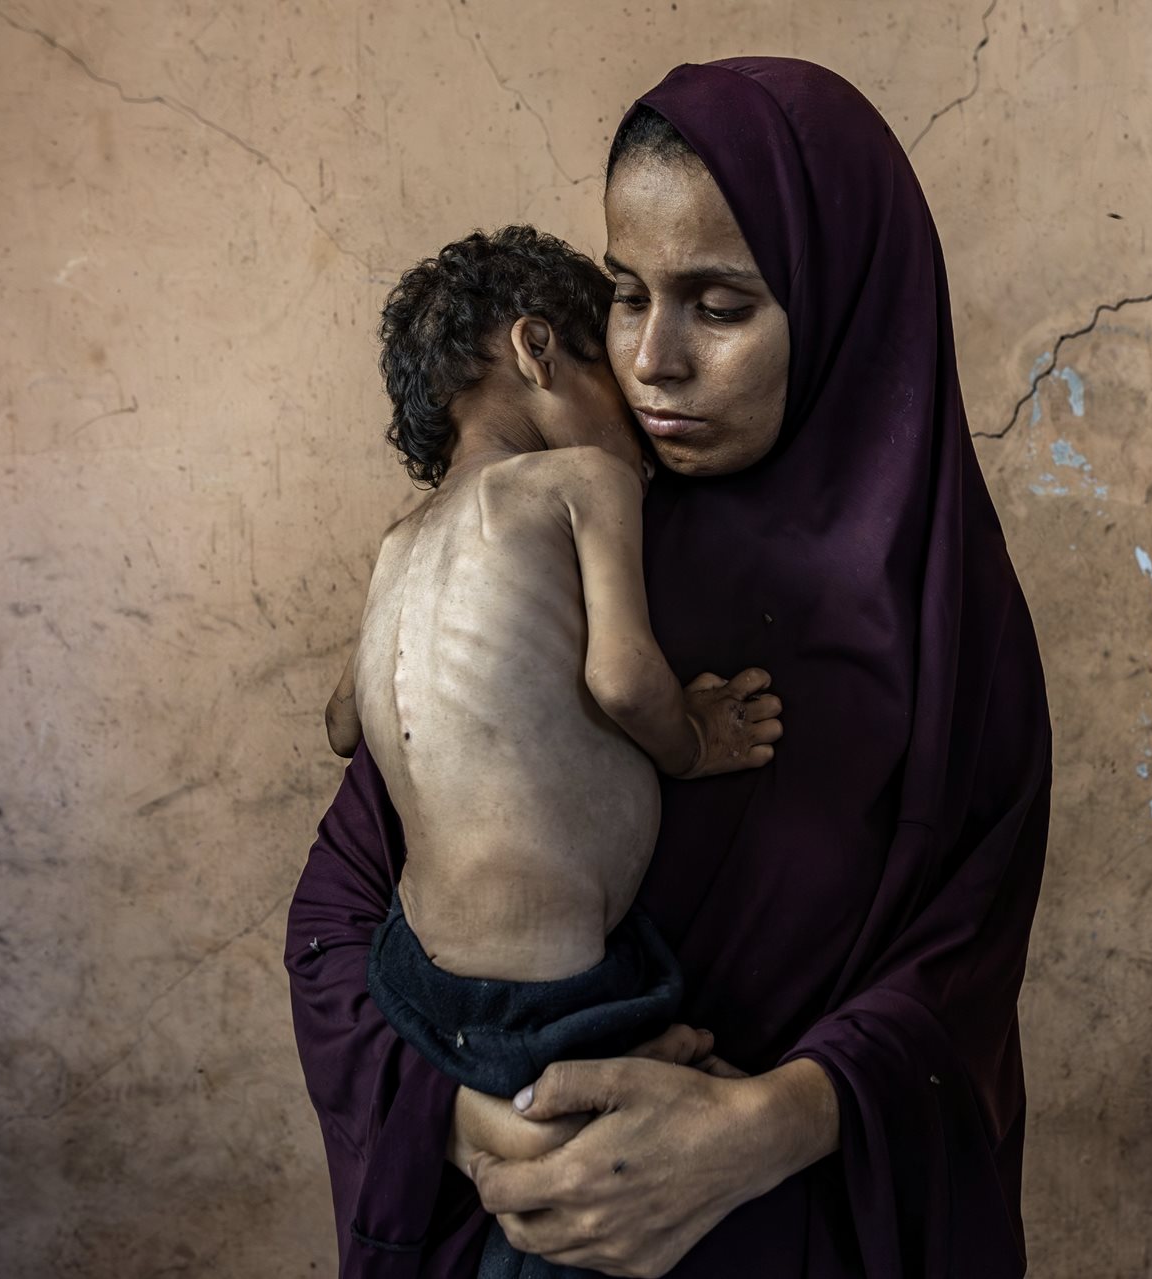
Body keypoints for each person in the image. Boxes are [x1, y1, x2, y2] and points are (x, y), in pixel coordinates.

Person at [287, 57, 1052, 1279]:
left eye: (722, 304)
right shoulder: (562, 552)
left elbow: (958, 976)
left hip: (795, 1240)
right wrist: (471, 1118)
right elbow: (342, 918)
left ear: (848, 304)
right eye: (625, 296)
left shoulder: (948, 622)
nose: (652, 359)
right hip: (529, 1213)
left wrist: (765, 1125)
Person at [330, 223, 782, 1277]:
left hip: (418, 970)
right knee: (600, 1205)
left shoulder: (400, 544)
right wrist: (696, 743)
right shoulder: (580, 480)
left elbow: (345, 722)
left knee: (525, 1196)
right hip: (554, 980)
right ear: (539, 352)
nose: (640, 410)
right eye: (610, 375)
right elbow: (624, 678)